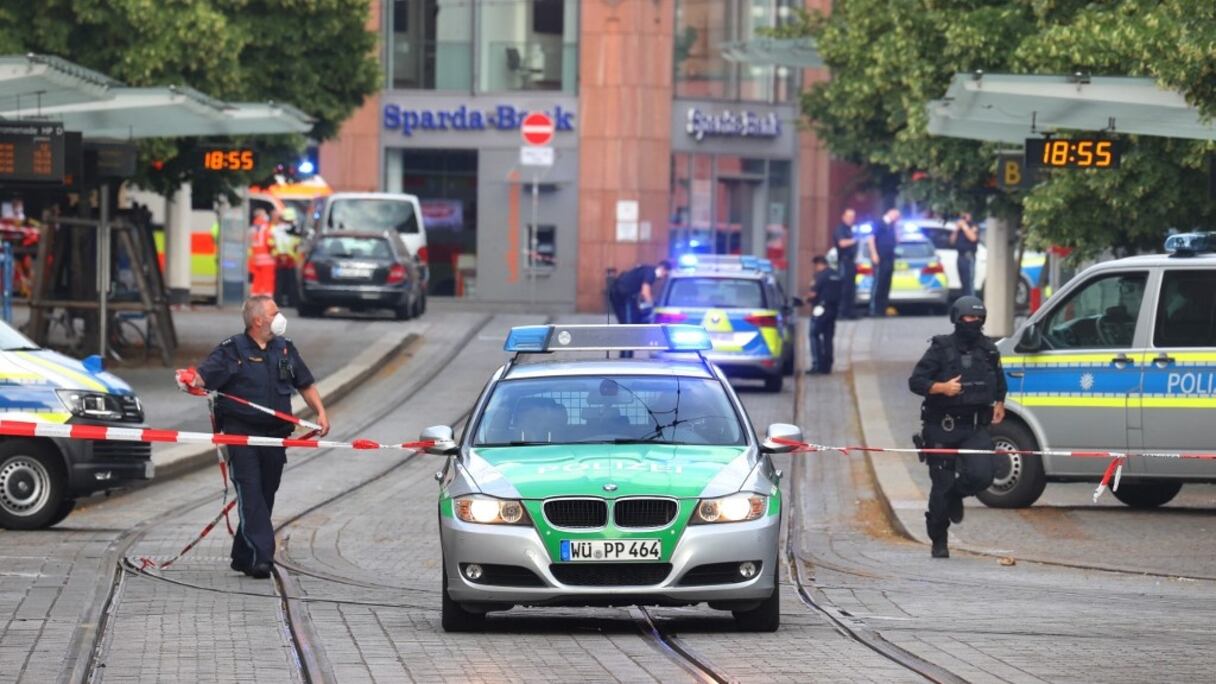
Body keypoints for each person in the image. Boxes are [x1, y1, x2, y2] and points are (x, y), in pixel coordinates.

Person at [175, 296, 330, 579]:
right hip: (241, 436)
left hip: (275, 438)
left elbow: (304, 382)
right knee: (251, 495)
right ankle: (263, 557)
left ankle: (243, 556)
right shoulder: (231, 350)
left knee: (265, 494)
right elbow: (203, 377)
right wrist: (190, 379)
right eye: (275, 312)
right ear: (259, 320)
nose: (280, 316)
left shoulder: (285, 349)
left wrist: (320, 412)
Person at [907, 296, 1005, 558]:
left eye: (978, 318)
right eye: (968, 318)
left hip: (974, 427)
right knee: (940, 488)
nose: (973, 323)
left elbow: (998, 380)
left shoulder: (989, 350)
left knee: (983, 475)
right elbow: (916, 381)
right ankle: (939, 541)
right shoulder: (941, 348)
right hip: (942, 427)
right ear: (957, 318)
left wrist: (1000, 403)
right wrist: (942, 388)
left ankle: (955, 496)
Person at [806, 255, 841, 374]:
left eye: (816, 266)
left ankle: (817, 364)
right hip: (833, 309)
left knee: (814, 334)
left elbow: (813, 294)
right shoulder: (837, 275)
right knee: (828, 338)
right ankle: (828, 365)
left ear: (819, 264)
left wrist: (806, 299)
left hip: (820, 309)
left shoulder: (820, 276)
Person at [867, 207, 899, 317]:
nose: (897, 218)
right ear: (890, 213)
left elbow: (897, 240)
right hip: (880, 258)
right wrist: (874, 254)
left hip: (890, 258)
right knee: (878, 284)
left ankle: (882, 309)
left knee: (886, 284)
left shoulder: (892, 226)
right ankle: (874, 310)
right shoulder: (879, 223)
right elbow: (871, 239)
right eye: (896, 216)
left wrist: (897, 227)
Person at [833, 208, 859, 319]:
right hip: (844, 261)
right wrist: (854, 240)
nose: (851, 219)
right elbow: (842, 243)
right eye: (849, 217)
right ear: (843, 217)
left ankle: (849, 312)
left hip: (851, 262)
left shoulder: (851, 229)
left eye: (853, 217)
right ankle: (841, 313)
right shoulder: (841, 229)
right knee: (844, 288)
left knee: (851, 288)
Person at [951, 212, 979, 297]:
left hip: (968, 257)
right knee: (963, 284)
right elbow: (952, 241)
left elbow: (973, 238)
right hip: (960, 256)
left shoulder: (973, 225)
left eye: (966, 214)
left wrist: (964, 226)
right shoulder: (958, 228)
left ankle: (971, 305)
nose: (963, 216)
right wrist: (956, 229)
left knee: (969, 284)